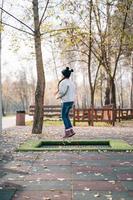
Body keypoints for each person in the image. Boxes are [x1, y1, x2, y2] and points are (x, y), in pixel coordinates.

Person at [56, 67, 76, 138]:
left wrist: (58, 96)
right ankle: (71, 130)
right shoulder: (72, 82)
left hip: (66, 101)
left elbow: (62, 92)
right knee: (66, 115)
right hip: (71, 101)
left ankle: (67, 132)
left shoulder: (63, 82)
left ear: (64, 75)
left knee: (63, 116)